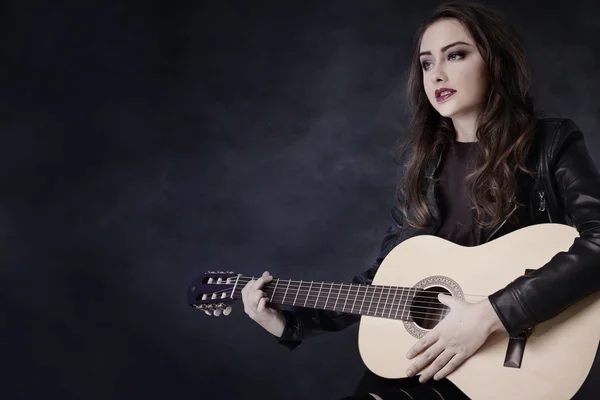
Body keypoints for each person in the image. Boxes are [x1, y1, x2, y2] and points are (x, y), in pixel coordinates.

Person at [240, 1, 600, 399]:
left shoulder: (550, 143)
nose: (437, 75)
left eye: (456, 55)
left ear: (494, 62)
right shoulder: (423, 166)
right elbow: (383, 281)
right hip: (423, 362)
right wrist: (289, 323)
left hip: (500, 364)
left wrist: (491, 314)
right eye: (427, 63)